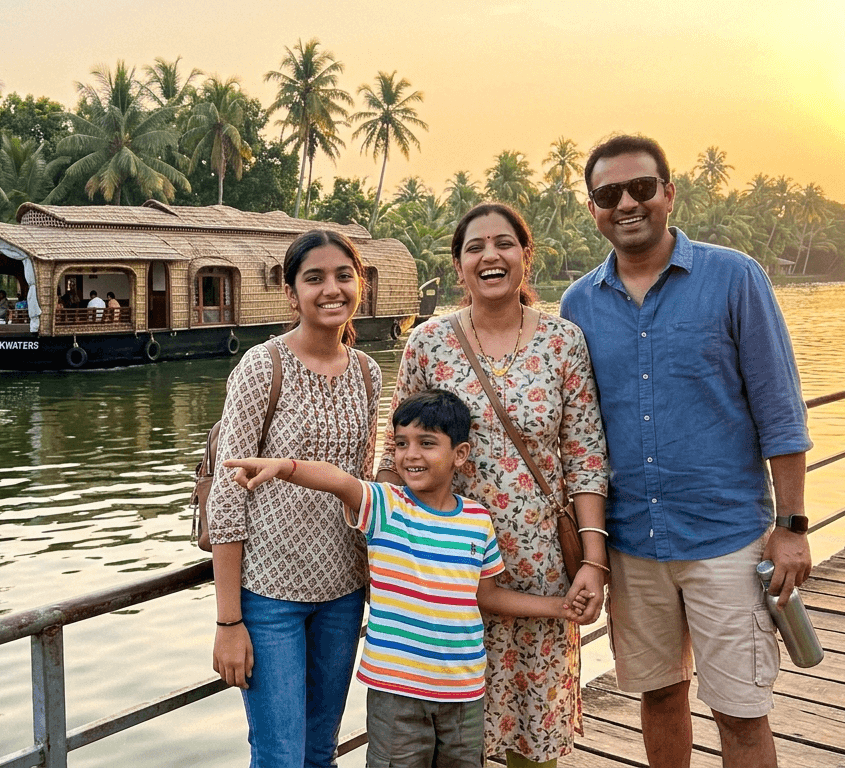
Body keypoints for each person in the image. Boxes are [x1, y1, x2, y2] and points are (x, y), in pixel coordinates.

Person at [560, 134, 813, 768]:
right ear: (592, 207)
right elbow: (572, 430)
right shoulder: (578, 305)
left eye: (640, 188)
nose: (626, 203)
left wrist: (791, 527)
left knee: (741, 710)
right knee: (659, 697)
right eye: (608, 193)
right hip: (631, 544)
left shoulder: (734, 278)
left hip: (725, 538)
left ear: (668, 193)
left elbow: (780, 412)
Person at [224, 389, 593, 768]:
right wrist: (285, 467)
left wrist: (559, 607)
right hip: (397, 694)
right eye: (401, 443)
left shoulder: (477, 521)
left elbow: (488, 595)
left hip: (464, 694)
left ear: (460, 455)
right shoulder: (386, 507)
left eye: (427, 443)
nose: (410, 454)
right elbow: (337, 480)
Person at [378, 203, 609, 768]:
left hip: (542, 565)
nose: (490, 256)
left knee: (535, 734)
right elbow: (397, 451)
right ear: (458, 266)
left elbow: (584, 455)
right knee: (451, 738)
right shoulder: (428, 344)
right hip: (446, 568)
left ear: (526, 257)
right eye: (474, 247)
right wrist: (389, 558)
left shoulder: (563, 341)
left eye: (504, 244)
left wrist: (593, 563)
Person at [208, 229, 383, 768]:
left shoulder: (368, 373)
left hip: (343, 592)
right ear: (291, 293)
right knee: (281, 756)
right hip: (269, 596)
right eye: (314, 279)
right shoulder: (264, 367)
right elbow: (227, 495)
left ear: (360, 285)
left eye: (343, 276)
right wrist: (228, 622)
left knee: (319, 752)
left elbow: (363, 483)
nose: (331, 290)